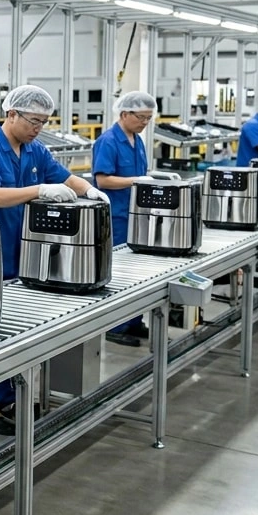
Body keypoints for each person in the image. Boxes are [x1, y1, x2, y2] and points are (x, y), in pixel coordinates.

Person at [0, 84, 107, 433]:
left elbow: (62, 176)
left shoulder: (34, 149)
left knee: (15, 330)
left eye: (44, 121)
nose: (38, 127)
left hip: (23, 252)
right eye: (33, 120)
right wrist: (39, 190)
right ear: (11, 114)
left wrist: (87, 189)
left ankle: (11, 394)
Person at [92, 91, 154, 347]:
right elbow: (102, 180)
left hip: (135, 214)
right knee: (119, 272)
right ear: (125, 114)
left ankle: (134, 319)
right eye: (141, 117)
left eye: (149, 118)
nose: (144, 123)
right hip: (116, 216)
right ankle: (115, 325)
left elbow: (142, 172)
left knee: (136, 271)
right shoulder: (108, 141)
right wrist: (136, 181)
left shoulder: (137, 140)